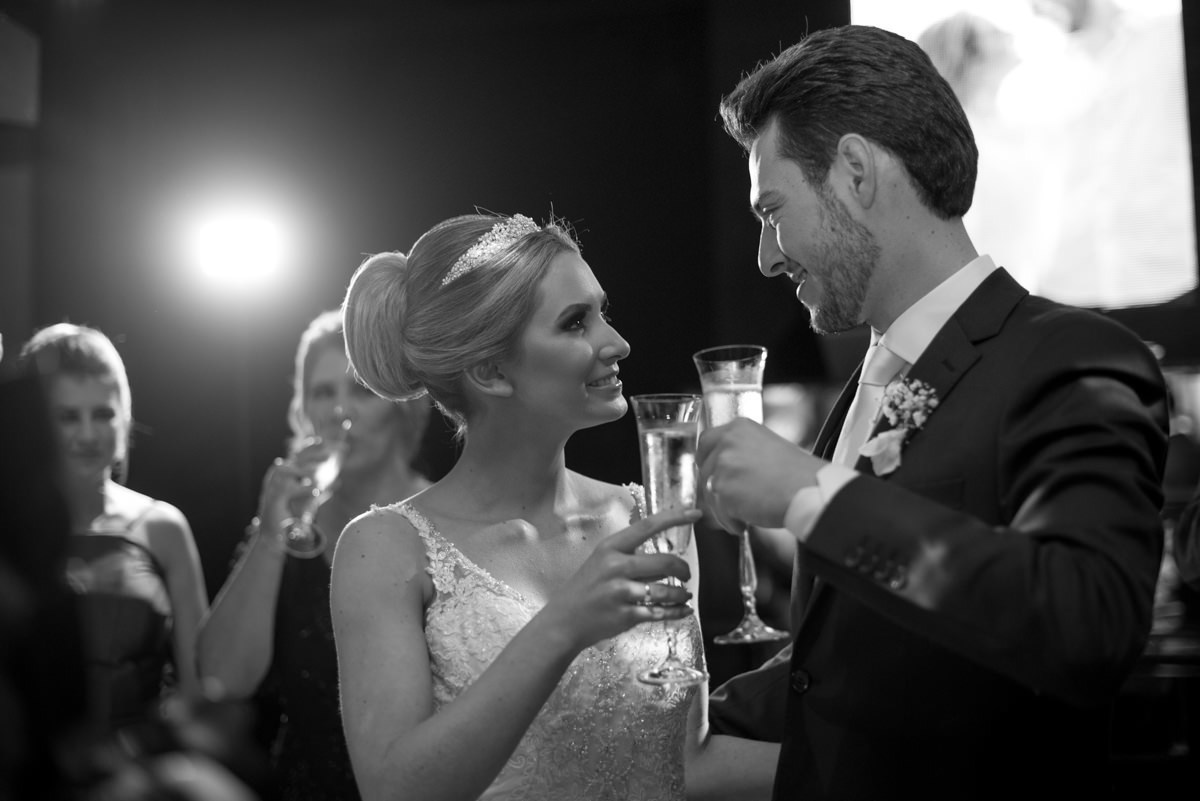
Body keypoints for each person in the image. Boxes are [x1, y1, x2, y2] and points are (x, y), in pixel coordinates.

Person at [696, 24, 1169, 800]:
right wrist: (662, 722)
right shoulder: (861, 392)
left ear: (854, 171)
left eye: (772, 209)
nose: (766, 255)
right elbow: (840, 667)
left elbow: (1088, 623)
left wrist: (815, 497)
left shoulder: (1073, 355)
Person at [333, 212, 779, 801]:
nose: (616, 343)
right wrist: (562, 625)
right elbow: (394, 790)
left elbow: (684, 762)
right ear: (490, 371)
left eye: (602, 312)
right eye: (575, 323)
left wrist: (898, 773)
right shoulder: (385, 549)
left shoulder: (649, 524)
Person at [196, 308, 434, 801]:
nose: (339, 410)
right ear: (304, 408)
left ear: (402, 405)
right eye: (323, 392)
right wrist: (268, 532)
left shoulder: (442, 520)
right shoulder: (286, 530)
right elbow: (221, 678)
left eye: (361, 391)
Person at [16, 323, 211, 734]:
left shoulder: (163, 528)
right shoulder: (9, 534)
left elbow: (200, 692)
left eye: (102, 413)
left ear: (123, 418)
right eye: (68, 417)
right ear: (35, 426)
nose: (88, 434)